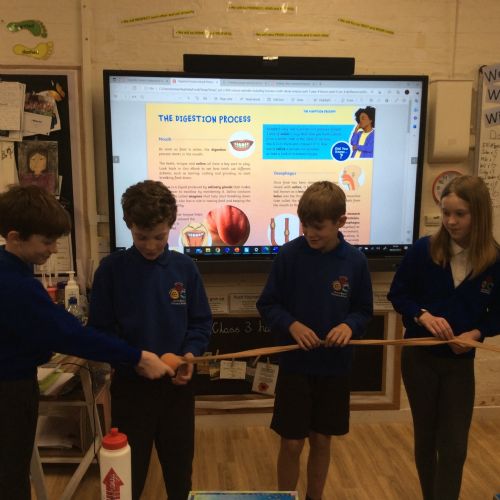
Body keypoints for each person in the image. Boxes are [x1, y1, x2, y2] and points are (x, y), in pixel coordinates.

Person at [0, 184, 172, 500]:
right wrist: (137, 356)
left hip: (16, 383)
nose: (53, 249)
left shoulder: (15, 271)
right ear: (14, 237)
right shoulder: (15, 284)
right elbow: (70, 334)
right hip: (9, 392)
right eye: (47, 241)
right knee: (10, 477)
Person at [88, 180, 212, 500]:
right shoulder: (111, 271)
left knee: (179, 473)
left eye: (159, 236)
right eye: (141, 237)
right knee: (129, 475)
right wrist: (133, 360)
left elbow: (200, 323)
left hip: (177, 391)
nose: (151, 245)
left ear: (171, 225)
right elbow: (100, 332)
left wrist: (190, 355)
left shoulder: (185, 268)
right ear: (128, 224)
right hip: (131, 391)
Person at [257, 180, 373, 500]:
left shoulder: (355, 261)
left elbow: (363, 310)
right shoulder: (289, 255)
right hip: (296, 366)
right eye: (305, 225)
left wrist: (349, 326)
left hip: (334, 368)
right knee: (292, 443)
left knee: (322, 440)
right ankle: (285, 498)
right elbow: (267, 304)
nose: (310, 233)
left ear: (340, 222)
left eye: (318, 227)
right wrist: (292, 325)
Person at [387, 175, 500, 500]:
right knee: (427, 438)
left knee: (454, 446)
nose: (450, 221)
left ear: (479, 215)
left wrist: (476, 333)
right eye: (446, 213)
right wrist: (422, 315)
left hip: (460, 363)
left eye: (459, 214)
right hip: (419, 359)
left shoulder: (494, 259)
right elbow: (399, 294)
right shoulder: (423, 250)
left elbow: (497, 313)